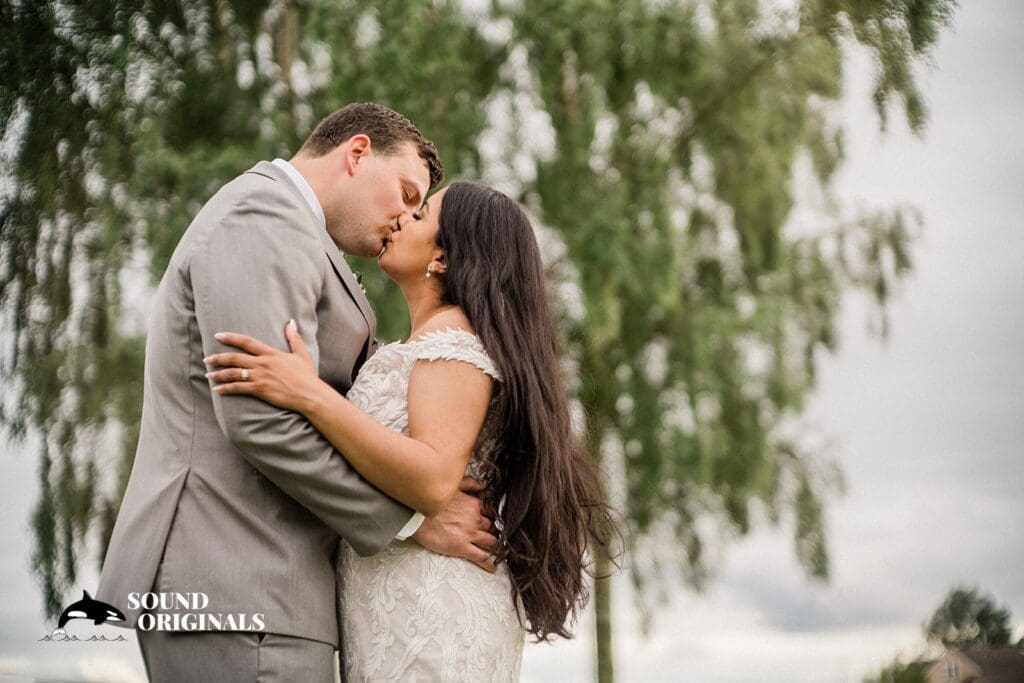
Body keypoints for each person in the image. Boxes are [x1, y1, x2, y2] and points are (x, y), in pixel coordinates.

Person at [96, 104, 499, 681]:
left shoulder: (292, 230)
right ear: (357, 153)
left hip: (265, 590)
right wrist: (411, 522)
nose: (405, 217)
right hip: (239, 575)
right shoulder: (262, 216)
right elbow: (261, 419)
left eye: (420, 208)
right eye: (407, 193)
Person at [204, 180, 617, 681]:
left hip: (430, 609)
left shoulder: (454, 337)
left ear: (443, 258)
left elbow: (431, 478)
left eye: (420, 215)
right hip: (398, 599)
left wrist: (308, 394)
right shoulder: (427, 342)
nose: (401, 218)